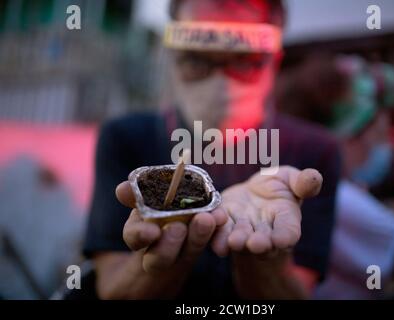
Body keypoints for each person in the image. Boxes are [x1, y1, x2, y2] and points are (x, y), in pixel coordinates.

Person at [82, 0, 341, 299]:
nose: (223, 85)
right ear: (173, 57)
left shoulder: (314, 153)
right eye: (197, 62)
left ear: (275, 58)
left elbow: (297, 292)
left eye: (244, 61)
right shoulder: (125, 138)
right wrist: (172, 245)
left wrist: (263, 258)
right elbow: (113, 290)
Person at [277, 55, 394, 299]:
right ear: (348, 134)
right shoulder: (336, 196)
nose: (385, 146)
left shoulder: (318, 186)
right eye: (379, 134)